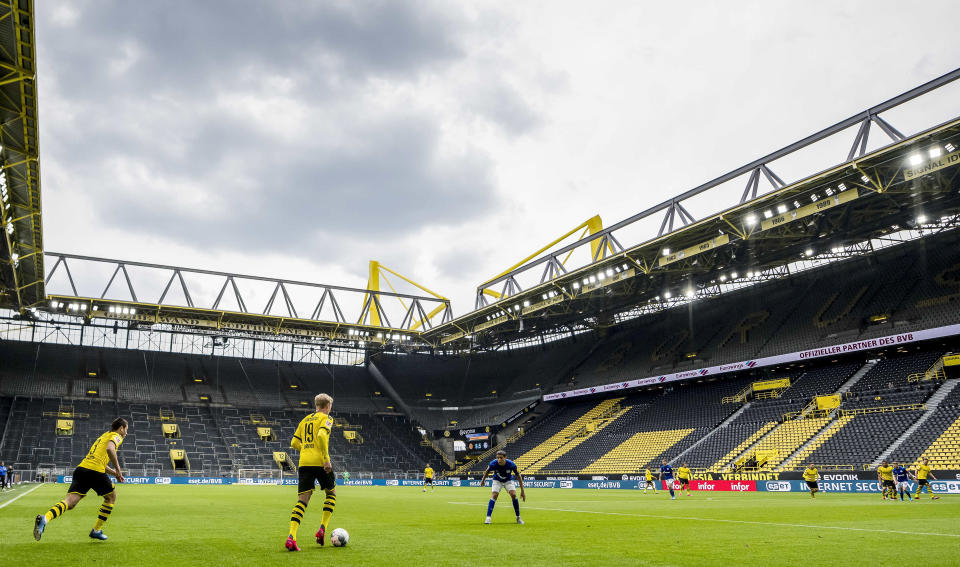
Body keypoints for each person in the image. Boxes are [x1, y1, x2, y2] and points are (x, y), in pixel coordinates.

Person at [34, 418, 127, 541]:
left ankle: (45, 519)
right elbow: (110, 449)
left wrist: (115, 473)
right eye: (126, 430)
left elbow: (102, 462)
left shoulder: (104, 436)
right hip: (95, 471)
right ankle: (96, 530)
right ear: (121, 428)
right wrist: (119, 470)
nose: (126, 433)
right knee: (111, 498)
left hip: (82, 469)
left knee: (70, 502)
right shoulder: (117, 436)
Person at [285, 394, 337, 552]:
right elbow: (321, 435)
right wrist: (326, 459)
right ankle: (322, 528)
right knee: (331, 494)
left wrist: (307, 449)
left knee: (302, 501)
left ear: (316, 405)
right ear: (327, 406)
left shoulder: (305, 420)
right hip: (320, 462)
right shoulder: (327, 418)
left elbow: (294, 443)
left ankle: (291, 537)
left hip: (304, 462)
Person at [480, 450, 525, 525]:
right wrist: (483, 480)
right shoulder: (493, 463)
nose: (499, 460)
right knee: (494, 495)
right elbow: (487, 471)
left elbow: (519, 476)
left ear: (505, 458)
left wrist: (522, 491)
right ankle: (488, 518)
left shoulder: (511, 464)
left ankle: (518, 518)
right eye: (497, 458)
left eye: (501, 458)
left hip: (508, 480)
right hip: (497, 480)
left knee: (513, 495)